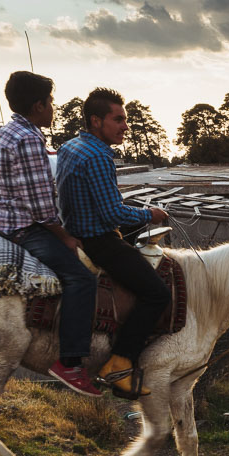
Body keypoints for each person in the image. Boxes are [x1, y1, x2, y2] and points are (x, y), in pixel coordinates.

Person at [0, 71, 101, 397]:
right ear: (38, 105)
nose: (53, 107)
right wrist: (64, 236)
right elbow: (40, 206)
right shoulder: (29, 139)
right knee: (82, 278)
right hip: (24, 227)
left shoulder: (5, 133)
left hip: (2, 218)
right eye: (50, 101)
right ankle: (70, 361)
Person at [55, 88, 168, 399]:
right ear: (96, 121)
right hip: (98, 240)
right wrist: (150, 213)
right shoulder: (99, 156)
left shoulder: (70, 147)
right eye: (118, 120)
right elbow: (112, 212)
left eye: (126, 120)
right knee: (157, 293)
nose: (125, 127)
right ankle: (119, 364)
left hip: (75, 230)